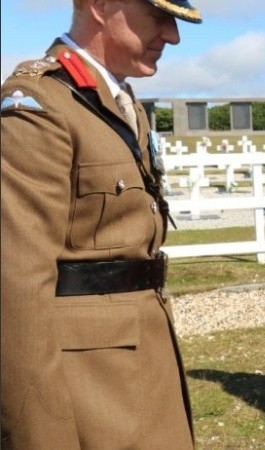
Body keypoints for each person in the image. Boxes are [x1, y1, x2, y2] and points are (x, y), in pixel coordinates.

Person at [0, 0, 202, 448]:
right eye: (159, 17)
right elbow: (16, 287)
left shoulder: (118, 99)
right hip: (88, 388)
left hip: (140, 361)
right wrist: (42, 436)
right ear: (100, 6)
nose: (172, 36)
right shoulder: (40, 106)